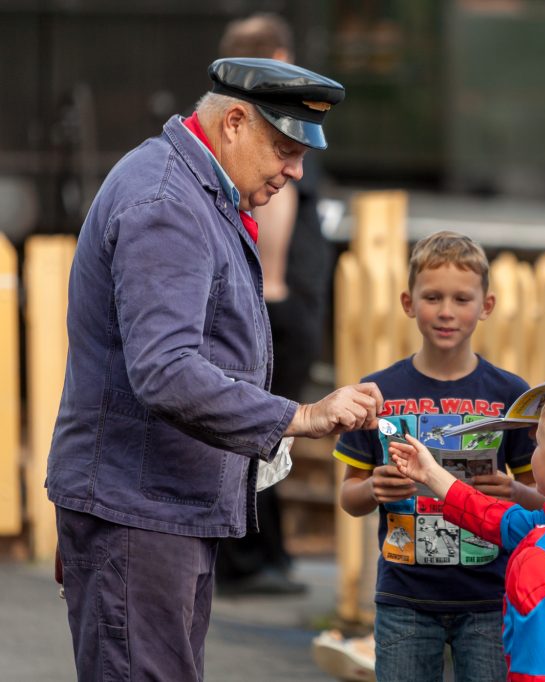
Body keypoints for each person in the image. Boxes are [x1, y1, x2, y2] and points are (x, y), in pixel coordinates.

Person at [46, 57, 384, 681]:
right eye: (284, 147)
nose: (295, 170)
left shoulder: (188, 185)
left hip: (151, 509)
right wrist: (300, 416)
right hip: (140, 514)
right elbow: (167, 371)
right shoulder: (169, 201)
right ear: (234, 121)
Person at [334, 231, 545, 682]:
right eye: (432, 297)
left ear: (486, 306)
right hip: (404, 599)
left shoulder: (511, 395)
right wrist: (372, 487)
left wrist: (511, 489)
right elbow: (348, 498)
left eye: (461, 299)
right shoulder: (378, 391)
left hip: (491, 598)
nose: (446, 311)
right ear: (408, 302)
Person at [388, 386, 545, 682]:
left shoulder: (541, 563)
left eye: (538, 443)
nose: (532, 449)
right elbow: (502, 520)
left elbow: (533, 672)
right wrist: (432, 474)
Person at [214, 11, 333, 597]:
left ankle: (269, 552)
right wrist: (275, 287)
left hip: (278, 303)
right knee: (265, 429)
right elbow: (276, 208)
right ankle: (250, 557)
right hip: (281, 303)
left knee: (267, 432)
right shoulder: (271, 133)